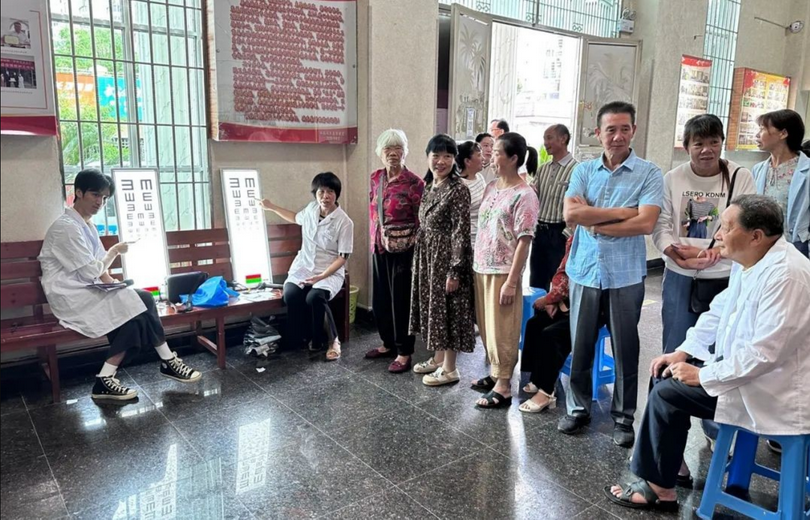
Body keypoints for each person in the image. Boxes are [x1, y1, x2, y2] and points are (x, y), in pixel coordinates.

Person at [606, 195, 810, 512]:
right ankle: (670, 468)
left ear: (756, 236)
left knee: (667, 395)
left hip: (772, 390)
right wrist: (684, 352)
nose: (716, 234)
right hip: (745, 373)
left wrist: (703, 374)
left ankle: (661, 489)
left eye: (726, 228)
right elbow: (719, 312)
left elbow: (766, 354)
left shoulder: (787, 275)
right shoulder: (755, 261)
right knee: (662, 371)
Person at [38, 169, 201, 402]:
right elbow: (89, 271)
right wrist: (114, 251)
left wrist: (116, 285)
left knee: (135, 314)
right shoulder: (66, 227)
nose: (100, 202)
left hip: (88, 292)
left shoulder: (88, 226)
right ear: (79, 193)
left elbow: (100, 270)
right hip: (70, 297)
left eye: (104, 198)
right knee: (143, 299)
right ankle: (168, 361)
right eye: (95, 195)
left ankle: (104, 380)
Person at [559, 101, 663, 448]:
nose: (617, 136)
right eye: (610, 130)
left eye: (624, 129)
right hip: (584, 272)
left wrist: (596, 221)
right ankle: (577, 408)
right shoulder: (584, 171)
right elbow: (571, 215)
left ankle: (623, 418)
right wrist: (622, 213)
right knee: (581, 345)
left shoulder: (649, 173)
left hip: (626, 275)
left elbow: (646, 222)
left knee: (625, 348)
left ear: (633, 130)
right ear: (598, 133)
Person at [652, 114, 755, 355]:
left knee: (719, 348)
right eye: (698, 144)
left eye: (714, 142)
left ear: (722, 142)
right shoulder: (673, 178)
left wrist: (706, 253)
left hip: (725, 276)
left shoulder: (741, 177)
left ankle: (709, 394)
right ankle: (666, 392)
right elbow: (661, 224)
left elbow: (745, 228)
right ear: (686, 146)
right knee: (675, 345)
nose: (707, 150)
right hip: (680, 274)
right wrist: (674, 254)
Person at [470, 132, 539, 408]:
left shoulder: (525, 195)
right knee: (487, 326)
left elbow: (524, 241)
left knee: (503, 329)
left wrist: (512, 281)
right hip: (482, 266)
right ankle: (494, 373)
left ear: (513, 158)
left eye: (497, 152)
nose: (491, 157)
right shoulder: (491, 187)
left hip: (503, 270)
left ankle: (504, 385)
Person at [260, 172, 353, 360]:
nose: (325, 197)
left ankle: (329, 340)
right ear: (315, 194)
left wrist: (320, 277)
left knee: (315, 297)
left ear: (337, 194)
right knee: (291, 294)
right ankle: (300, 337)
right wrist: (271, 207)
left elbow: (342, 258)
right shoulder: (311, 209)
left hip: (329, 271)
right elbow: (295, 217)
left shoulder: (344, 222)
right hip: (303, 267)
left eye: (330, 192)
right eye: (321, 192)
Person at [409, 135, 475, 386]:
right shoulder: (430, 185)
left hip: (447, 257)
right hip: (428, 257)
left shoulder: (458, 189)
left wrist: (455, 270)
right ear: (428, 157)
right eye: (436, 155)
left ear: (455, 159)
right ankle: (437, 358)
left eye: (448, 156)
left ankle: (450, 369)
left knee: (447, 311)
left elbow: (460, 231)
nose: (441, 161)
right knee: (434, 309)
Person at [366, 129, 425, 373]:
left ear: (405, 151)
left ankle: (404, 351)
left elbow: (421, 220)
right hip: (379, 246)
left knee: (401, 301)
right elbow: (373, 211)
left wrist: (415, 247)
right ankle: (388, 343)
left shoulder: (414, 183)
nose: (392, 153)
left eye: (397, 148)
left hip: (404, 249)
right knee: (381, 299)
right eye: (387, 149)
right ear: (380, 153)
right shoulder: (375, 178)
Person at [519, 232, 573, 413]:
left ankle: (546, 391)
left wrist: (553, 298)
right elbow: (561, 274)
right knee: (535, 323)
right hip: (566, 301)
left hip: (586, 307)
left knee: (551, 334)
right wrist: (554, 299)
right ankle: (536, 377)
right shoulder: (573, 239)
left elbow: (574, 279)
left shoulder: (591, 242)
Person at [752, 109, 809, 257]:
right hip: (762, 247)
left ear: (783, 133)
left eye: (763, 129)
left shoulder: (807, 171)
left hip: (796, 248)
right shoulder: (758, 170)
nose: (758, 135)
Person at [529, 124, 578, 291]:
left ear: (563, 139)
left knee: (558, 282)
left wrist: (566, 235)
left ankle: (557, 317)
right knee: (536, 280)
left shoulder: (577, 170)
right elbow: (534, 197)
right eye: (544, 139)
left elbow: (579, 205)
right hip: (540, 231)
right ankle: (536, 316)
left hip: (560, 232)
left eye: (549, 138)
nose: (545, 143)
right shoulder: (543, 169)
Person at [454, 141, 487, 248]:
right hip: (467, 241)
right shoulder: (459, 185)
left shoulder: (480, 178)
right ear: (467, 161)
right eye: (479, 155)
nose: (483, 158)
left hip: (482, 236)